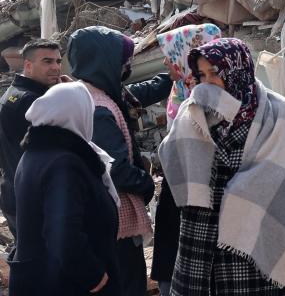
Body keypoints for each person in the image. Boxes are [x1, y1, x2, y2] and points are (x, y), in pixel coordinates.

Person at [160, 38, 285, 296]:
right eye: (201, 75)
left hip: (251, 244)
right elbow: (172, 161)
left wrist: (238, 196)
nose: (208, 82)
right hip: (199, 243)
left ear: (237, 69)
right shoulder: (192, 112)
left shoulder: (275, 111)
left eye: (215, 73)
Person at [69, 25, 175, 296]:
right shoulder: (99, 110)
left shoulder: (93, 93)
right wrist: (147, 186)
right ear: (105, 62)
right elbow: (116, 170)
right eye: (122, 60)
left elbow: (137, 93)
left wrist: (172, 77)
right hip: (114, 222)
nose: (127, 66)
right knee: (127, 285)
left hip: (105, 218)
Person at [10, 82, 120, 296]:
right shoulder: (64, 163)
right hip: (67, 284)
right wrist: (92, 274)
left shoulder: (35, 153)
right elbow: (62, 232)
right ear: (78, 114)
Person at [151, 24, 222, 296]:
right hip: (181, 187)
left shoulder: (202, 94)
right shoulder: (182, 89)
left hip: (198, 191)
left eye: (171, 54)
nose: (166, 62)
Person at [0, 38, 62, 238]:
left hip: (17, 194)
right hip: (35, 201)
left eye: (58, 61)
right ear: (28, 65)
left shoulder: (13, 93)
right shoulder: (32, 102)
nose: (55, 67)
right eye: (47, 61)